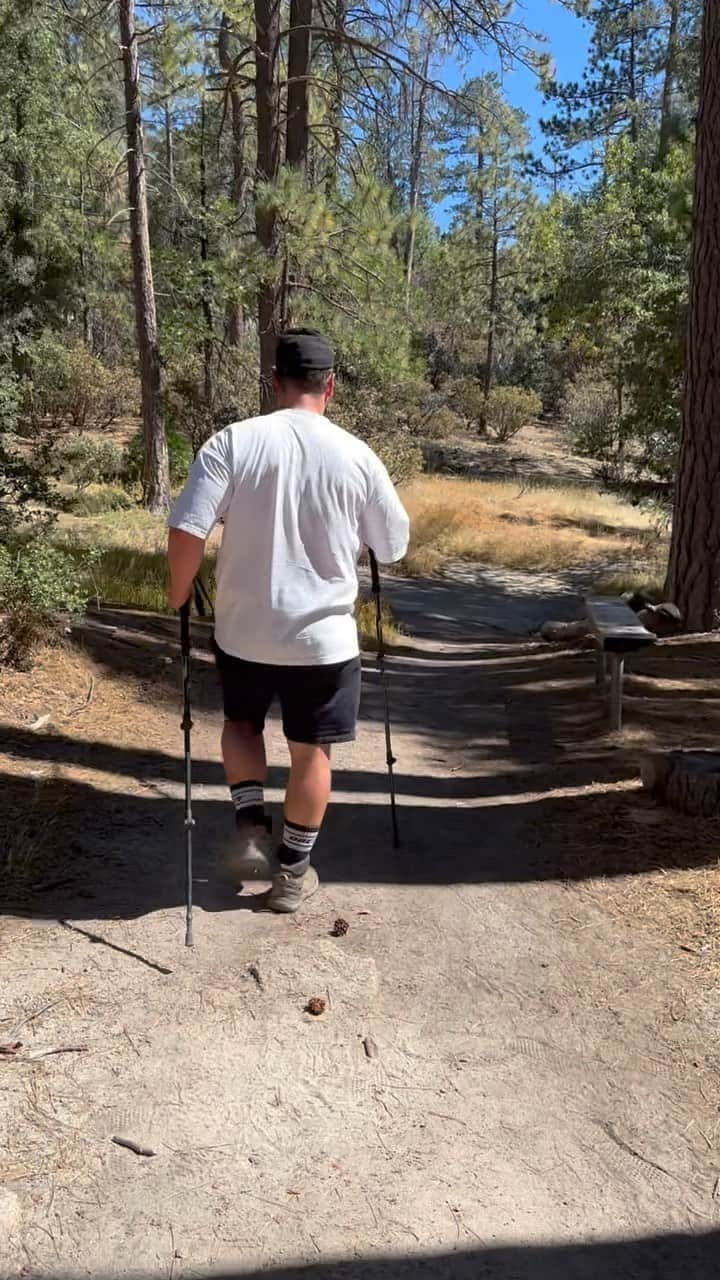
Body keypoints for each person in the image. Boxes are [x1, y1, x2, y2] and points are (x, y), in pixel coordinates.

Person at [167, 329, 409, 913]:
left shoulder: (232, 442)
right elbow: (394, 545)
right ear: (331, 387)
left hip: (243, 632)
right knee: (311, 754)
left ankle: (252, 830)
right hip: (323, 641)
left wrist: (179, 595)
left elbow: (185, 530)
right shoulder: (357, 455)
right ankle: (293, 873)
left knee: (243, 726)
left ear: (274, 382)